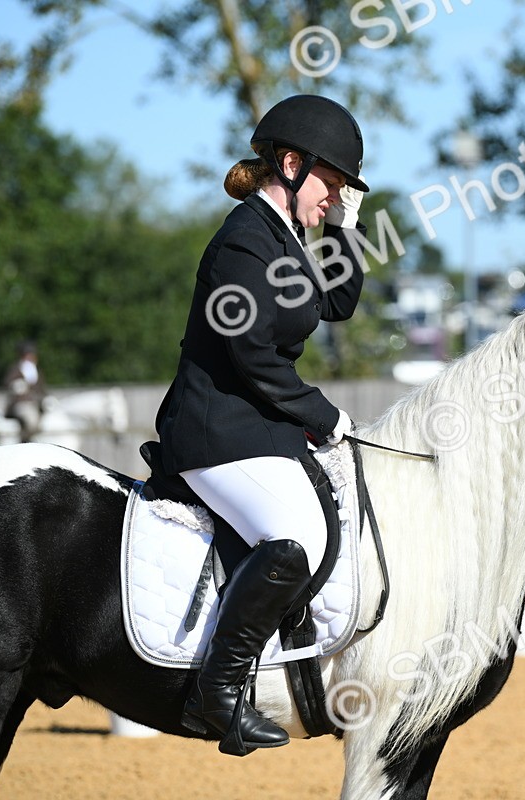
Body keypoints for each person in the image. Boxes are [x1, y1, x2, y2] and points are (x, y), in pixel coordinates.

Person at [155, 95, 369, 756]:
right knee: (298, 534)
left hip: (257, 428)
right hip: (217, 430)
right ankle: (218, 693)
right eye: (331, 184)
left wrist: (348, 228)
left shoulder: (286, 237)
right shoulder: (245, 239)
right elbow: (249, 354)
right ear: (291, 164)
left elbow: (338, 300)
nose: (334, 197)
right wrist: (321, 412)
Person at [3, 340, 46, 442]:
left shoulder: (37, 371)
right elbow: (7, 383)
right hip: (21, 403)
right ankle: (26, 441)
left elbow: (42, 389)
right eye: (28, 355)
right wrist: (16, 385)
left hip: (37, 404)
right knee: (31, 419)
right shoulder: (16, 369)